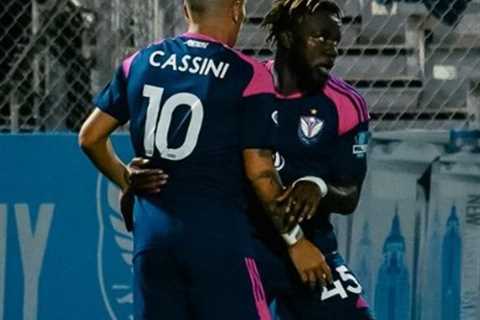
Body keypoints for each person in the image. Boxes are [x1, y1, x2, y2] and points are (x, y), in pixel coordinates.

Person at [78, 0, 329, 319]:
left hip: (153, 238)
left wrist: (127, 179)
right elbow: (259, 171)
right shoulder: (247, 74)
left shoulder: (138, 62)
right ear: (237, 9)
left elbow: (89, 137)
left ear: (186, 11)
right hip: (218, 239)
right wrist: (296, 242)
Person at [251, 1, 375, 319]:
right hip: (245, 245)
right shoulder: (245, 89)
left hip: (314, 245)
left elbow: (349, 196)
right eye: (320, 37)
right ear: (289, 37)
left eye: (335, 40)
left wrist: (318, 186)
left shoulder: (347, 104)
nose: (331, 50)